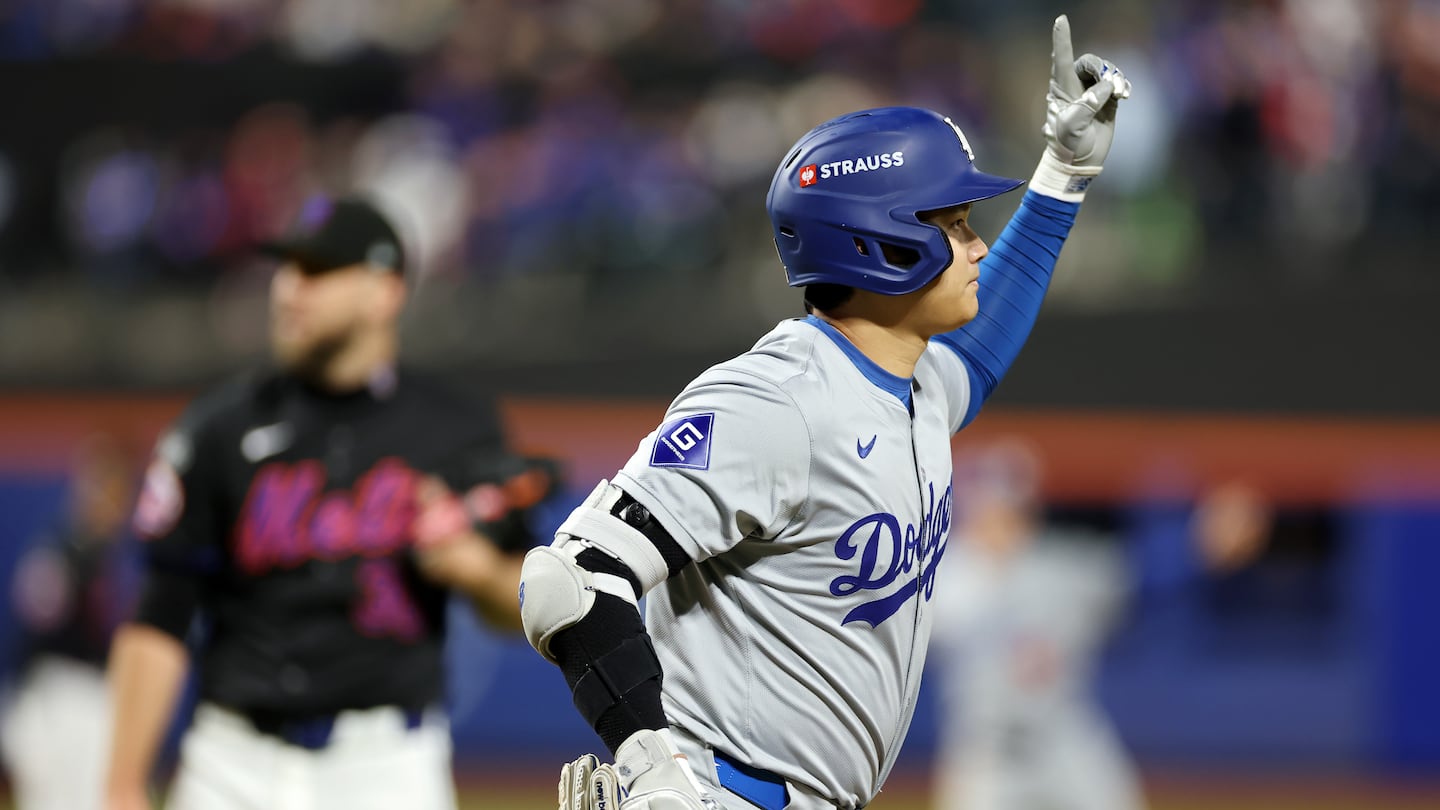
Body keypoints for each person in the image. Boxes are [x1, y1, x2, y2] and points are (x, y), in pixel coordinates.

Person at [516, 15, 1131, 810]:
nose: (978, 247)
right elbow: (567, 579)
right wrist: (648, 764)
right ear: (881, 244)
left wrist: (1062, 178)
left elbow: (978, 355)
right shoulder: (777, 402)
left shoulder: (913, 384)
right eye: (953, 225)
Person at [103, 195, 555, 810]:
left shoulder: (457, 428)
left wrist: (475, 569)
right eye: (285, 269)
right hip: (231, 761)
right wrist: (122, 783)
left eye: (316, 271)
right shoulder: (217, 430)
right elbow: (160, 613)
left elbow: (518, 604)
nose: (290, 290)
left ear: (383, 292)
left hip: (387, 765)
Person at [928, 439, 1271, 810]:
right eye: (991, 503)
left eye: (1011, 505)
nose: (999, 516)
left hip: (1066, 739)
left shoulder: (1058, 568)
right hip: (984, 753)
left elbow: (1141, 572)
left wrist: (1199, 543)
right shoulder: (943, 582)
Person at [1, 433, 140, 810]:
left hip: (89, 695)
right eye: (103, 486)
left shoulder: (109, 555)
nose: (113, 501)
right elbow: (36, 624)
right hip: (56, 695)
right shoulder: (66, 550)